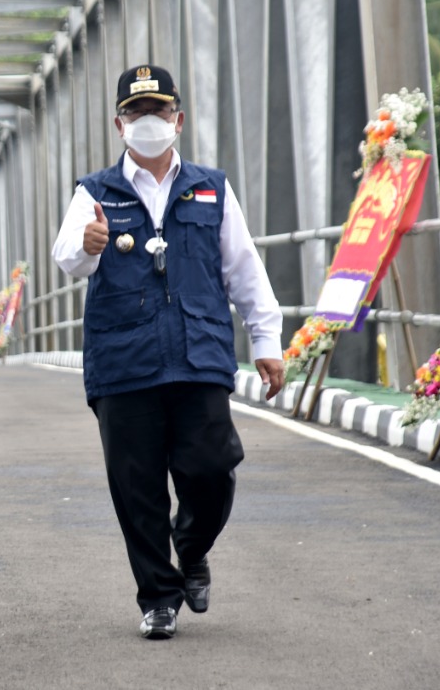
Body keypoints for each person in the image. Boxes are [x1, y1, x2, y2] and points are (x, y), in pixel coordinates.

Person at [52, 64, 284, 640]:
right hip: (123, 360)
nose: (148, 121)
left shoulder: (211, 187)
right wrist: (88, 245)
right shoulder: (95, 193)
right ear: (118, 123)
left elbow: (243, 268)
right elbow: (67, 259)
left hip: (198, 352)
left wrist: (267, 340)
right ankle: (158, 596)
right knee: (137, 486)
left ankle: (191, 545)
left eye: (158, 111)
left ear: (178, 119)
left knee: (213, 467)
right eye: (136, 113)